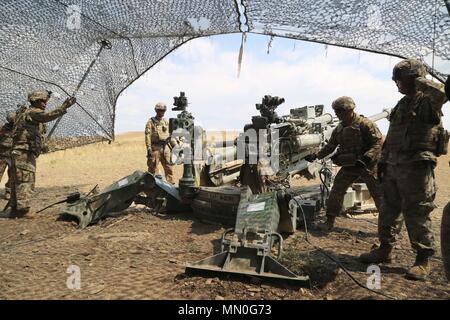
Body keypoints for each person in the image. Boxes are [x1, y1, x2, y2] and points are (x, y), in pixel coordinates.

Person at [359, 59, 448, 281]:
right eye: (395, 79)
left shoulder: (427, 102)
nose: (397, 83)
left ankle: (422, 259)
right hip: (393, 167)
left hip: (416, 169)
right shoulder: (401, 104)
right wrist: (382, 162)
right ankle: (385, 250)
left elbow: (443, 94)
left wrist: (420, 80)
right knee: (388, 211)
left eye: (401, 79)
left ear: (414, 78)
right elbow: (392, 138)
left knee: (417, 212)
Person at [305, 96, 384, 231]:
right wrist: (316, 156)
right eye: (335, 111)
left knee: (378, 194)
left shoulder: (365, 124)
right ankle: (329, 221)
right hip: (350, 166)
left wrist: (366, 158)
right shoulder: (339, 129)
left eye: (339, 111)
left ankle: (386, 227)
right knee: (336, 191)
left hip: (367, 166)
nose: (336, 114)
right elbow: (331, 146)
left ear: (349, 110)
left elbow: (378, 143)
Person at [0, 90, 76, 218]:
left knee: (17, 180)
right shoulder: (32, 112)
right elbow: (47, 116)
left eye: (46, 101)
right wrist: (64, 107)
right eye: (42, 101)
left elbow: (36, 134)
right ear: (35, 101)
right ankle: (22, 210)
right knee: (25, 181)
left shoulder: (30, 115)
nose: (45, 104)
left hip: (22, 152)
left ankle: (14, 209)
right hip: (23, 153)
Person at [145, 102, 174, 184]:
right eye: (160, 110)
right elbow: (147, 135)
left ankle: (170, 188)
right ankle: (148, 187)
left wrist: (175, 147)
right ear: (156, 110)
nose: (162, 112)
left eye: (163, 110)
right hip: (155, 149)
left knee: (169, 168)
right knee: (152, 169)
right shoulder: (151, 122)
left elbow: (170, 135)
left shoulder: (166, 122)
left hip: (166, 148)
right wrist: (149, 148)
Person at [0, 111, 16, 199]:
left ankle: (8, 191)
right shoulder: (3, 128)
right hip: (2, 155)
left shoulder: (18, 129)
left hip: (13, 155)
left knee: (12, 175)